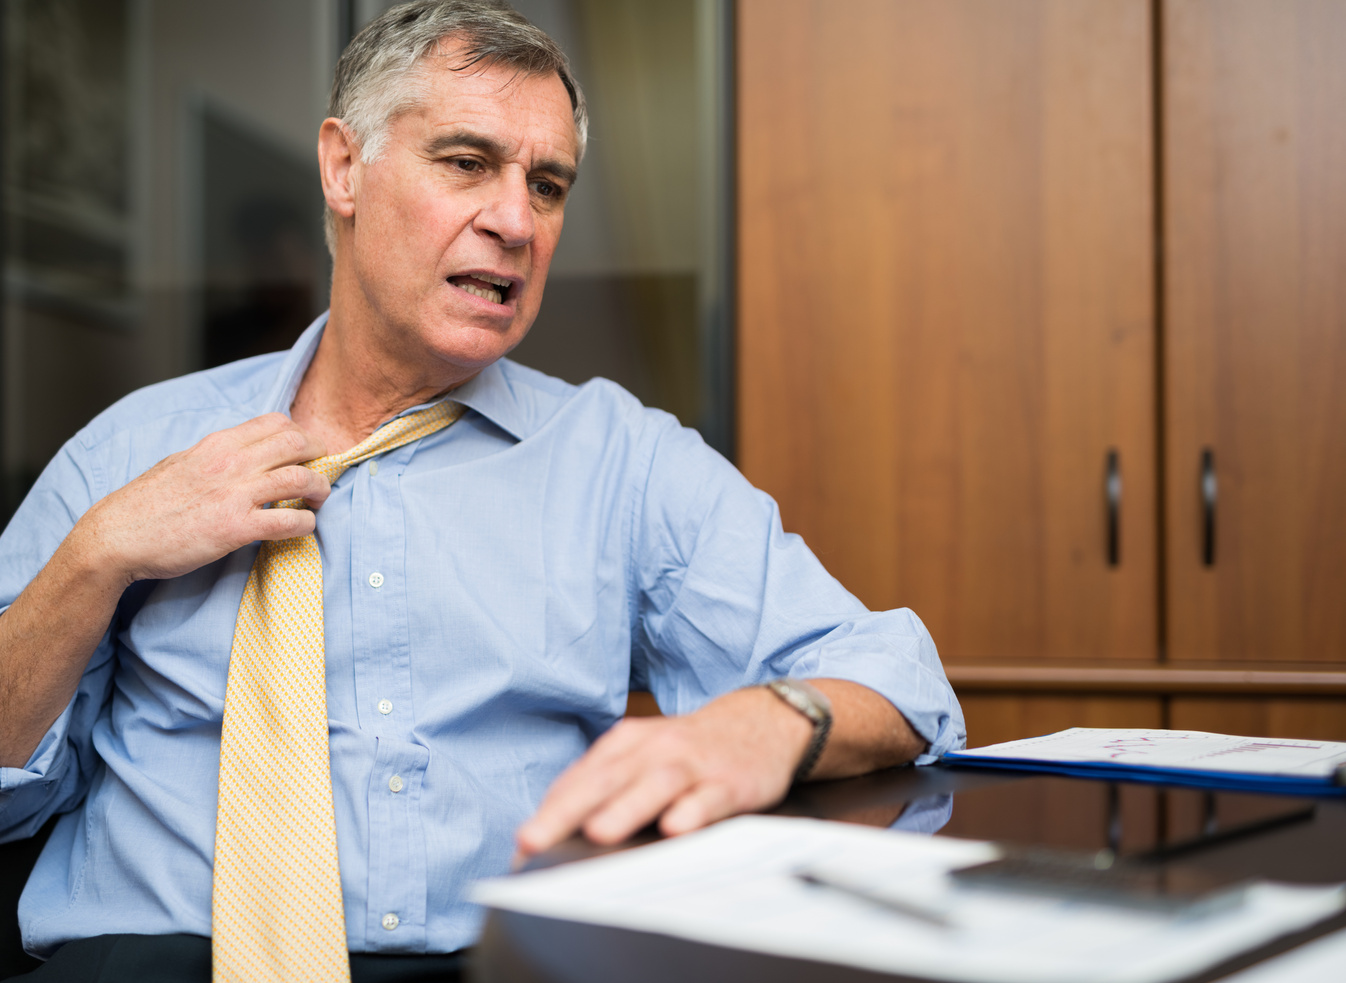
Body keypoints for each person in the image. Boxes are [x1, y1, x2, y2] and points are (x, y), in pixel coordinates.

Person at [0, 1, 964, 978]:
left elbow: (901, 680)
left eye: (546, 185)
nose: (514, 220)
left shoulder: (616, 456)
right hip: (146, 959)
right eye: (466, 162)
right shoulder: (128, 453)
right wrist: (94, 557)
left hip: (498, 959)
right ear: (343, 167)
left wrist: (760, 721)